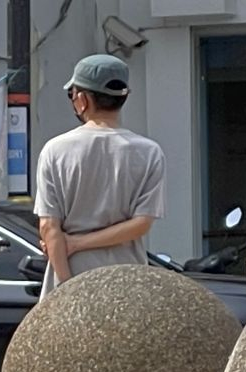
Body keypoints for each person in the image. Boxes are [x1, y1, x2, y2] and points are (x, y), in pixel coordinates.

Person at [33, 54, 165, 293]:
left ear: (82, 100)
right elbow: (141, 224)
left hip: (71, 276)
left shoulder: (56, 150)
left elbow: (49, 228)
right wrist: (77, 243)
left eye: (72, 94)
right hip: (128, 282)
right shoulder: (149, 152)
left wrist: (66, 285)